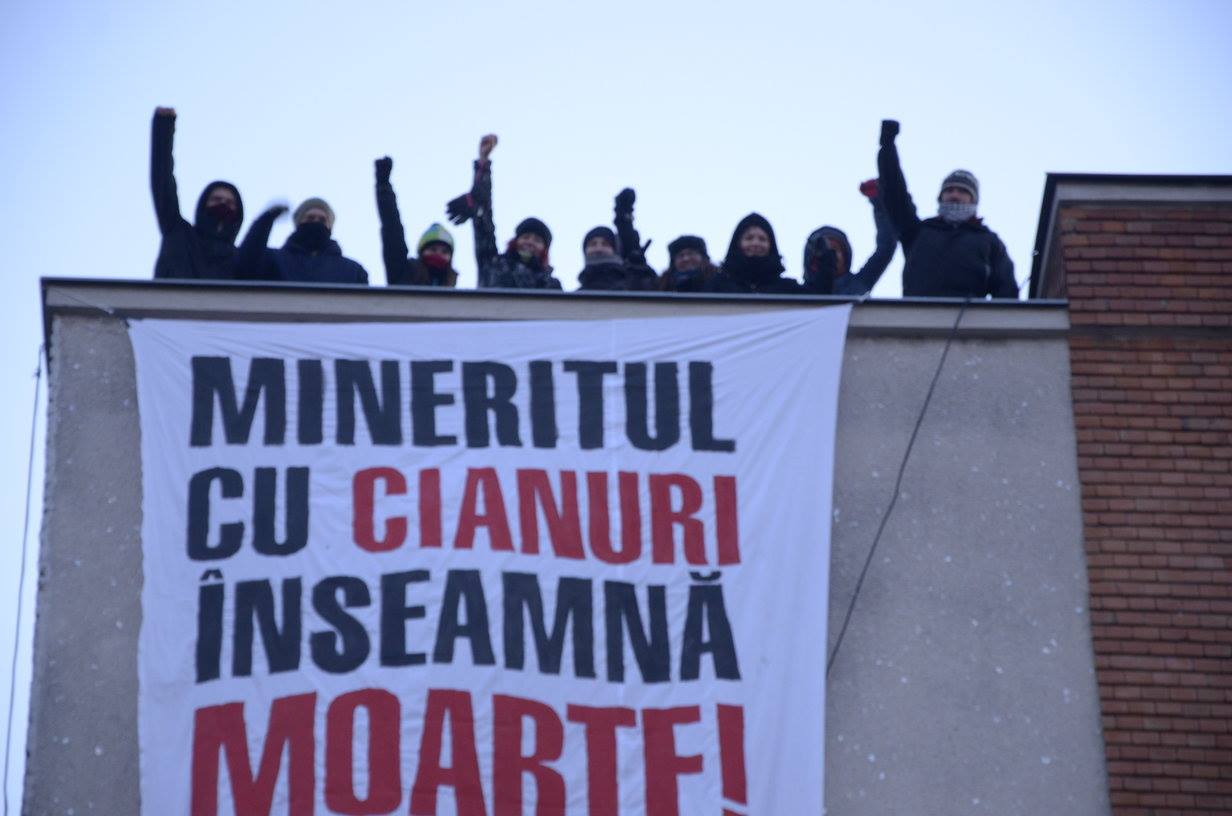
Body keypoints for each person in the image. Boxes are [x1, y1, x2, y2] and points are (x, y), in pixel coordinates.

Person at [877, 119, 1017, 299]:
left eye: (962, 191)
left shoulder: (988, 240)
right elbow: (895, 192)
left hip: (969, 315)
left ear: (973, 200)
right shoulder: (917, 232)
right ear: (941, 197)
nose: (954, 195)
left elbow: (1006, 291)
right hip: (917, 313)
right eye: (949, 190)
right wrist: (888, 145)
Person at [446, 134, 561, 290]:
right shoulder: (493, 263)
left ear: (545, 250)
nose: (530, 242)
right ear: (515, 241)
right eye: (526, 237)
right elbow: (484, 219)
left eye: (537, 240)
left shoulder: (551, 284)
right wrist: (483, 163)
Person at [150, 107, 244, 279]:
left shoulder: (242, 260)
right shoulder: (179, 232)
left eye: (230, 203)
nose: (223, 204)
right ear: (203, 205)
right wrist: (164, 126)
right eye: (216, 199)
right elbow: (162, 183)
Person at [237, 198, 368, 284]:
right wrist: (265, 221)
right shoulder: (274, 259)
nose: (316, 222)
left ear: (330, 227)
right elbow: (246, 264)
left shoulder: (353, 271)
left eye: (322, 220)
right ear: (299, 223)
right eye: (310, 218)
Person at [803, 178, 898, 296]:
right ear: (811, 259)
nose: (830, 255)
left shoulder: (857, 285)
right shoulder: (798, 294)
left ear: (846, 257)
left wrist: (878, 202)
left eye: (835, 249)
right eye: (823, 249)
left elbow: (886, 247)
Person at [375, 156, 457, 286]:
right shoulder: (403, 272)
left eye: (444, 252)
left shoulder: (452, 289)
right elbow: (392, 230)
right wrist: (383, 186)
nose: (438, 254)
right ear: (421, 252)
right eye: (433, 249)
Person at [708, 213, 823, 294]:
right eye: (749, 238)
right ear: (737, 244)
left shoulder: (788, 289)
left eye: (762, 239)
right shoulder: (717, 286)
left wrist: (825, 261)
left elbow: (819, 300)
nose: (755, 243)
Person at [577, 189, 658, 291]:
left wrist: (641, 269)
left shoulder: (632, 285)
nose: (599, 248)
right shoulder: (575, 296)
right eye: (593, 244)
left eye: (605, 244)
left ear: (615, 251)